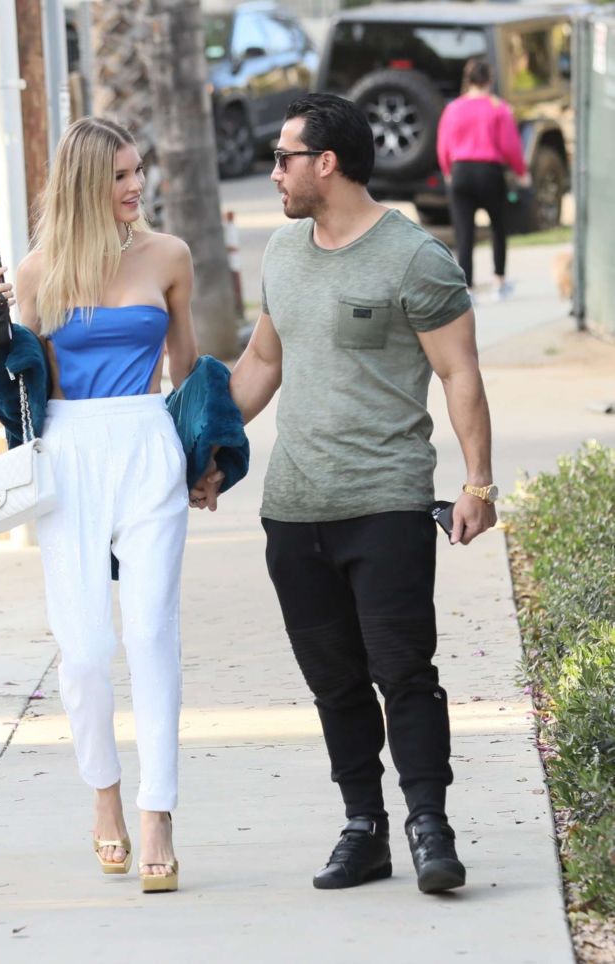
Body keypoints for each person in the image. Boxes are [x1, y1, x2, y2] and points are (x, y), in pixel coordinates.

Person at [191, 93, 498, 893]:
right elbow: (261, 363)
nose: (274, 172)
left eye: (284, 158)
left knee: (404, 670)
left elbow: (459, 371)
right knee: (333, 681)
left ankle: (430, 826)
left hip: (387, 501)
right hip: (295, 509)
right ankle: (363, 828)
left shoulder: (414, 258)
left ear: (325, 163)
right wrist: (212, 449)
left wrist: (477, 483)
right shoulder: (284, 254)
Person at [0, 116, 200, 893]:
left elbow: (189, 372)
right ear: (83, 184)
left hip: (146, 441)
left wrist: (204, 460)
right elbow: (16, 391)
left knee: (149, 632)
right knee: (83, 652)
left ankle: (157, 812)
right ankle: (104, 796)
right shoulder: (37, 273)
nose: (135, 185)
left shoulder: (168, 256)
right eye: (119, 176)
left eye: (138, 170)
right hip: (70, 453)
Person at [437, 57, 530, 300]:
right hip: (489, 171)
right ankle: (499, 282)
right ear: (490, 79)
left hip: (461, 171)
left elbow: (443, 145)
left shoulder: (453, 108)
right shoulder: (498, 108)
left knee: (464, 232)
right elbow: (510, 146)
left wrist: (448, 170)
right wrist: (521, 173)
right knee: (498, 227)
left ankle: (467, 288)